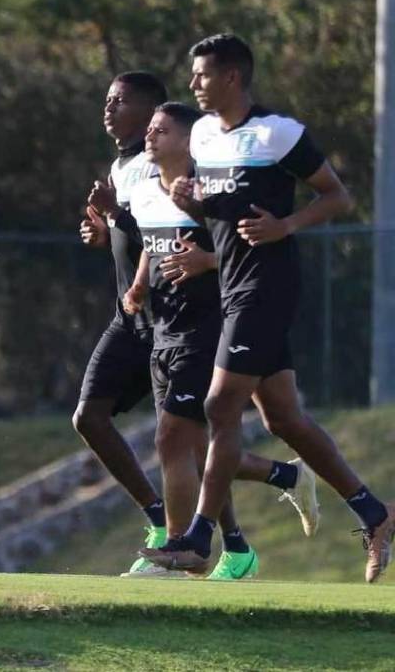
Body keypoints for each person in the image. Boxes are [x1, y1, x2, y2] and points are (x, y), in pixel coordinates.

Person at [140, 33, 394, 583]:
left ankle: (197, 540)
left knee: (219, 404)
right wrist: (196, 203)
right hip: (233, 283)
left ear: (233, 77)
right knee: (284, 419)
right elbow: (224, 209)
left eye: (203, 75)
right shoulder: (204, 135)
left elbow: (336, 196)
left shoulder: (279, 133)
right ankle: (375, 513)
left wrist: (286, 225)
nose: (193, 85)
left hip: (268, 287)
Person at [123, 102, 318, 580]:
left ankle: (176, 550)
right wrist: (140, 283)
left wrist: (205, 263)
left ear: (187, 140)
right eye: (148, 128)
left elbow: (241, 250)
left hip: (209, 325)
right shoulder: (147, 190)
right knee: (192, 448)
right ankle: (276, 488)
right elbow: (152, 243)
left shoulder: (209, 188)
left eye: (160, 130)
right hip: (165, 331)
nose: (148, 136)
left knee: (172, 438)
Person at [77, 72, 185, 575]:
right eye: (106, 101)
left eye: (119, 101)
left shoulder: (160, 162)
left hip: (168, 318)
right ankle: (161, 520)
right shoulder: (121, 165)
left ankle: (228, 545)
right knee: (88, 416)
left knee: (182, 439)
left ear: (150, 111)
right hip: (130, 316)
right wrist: (105, 231)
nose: (108, 109)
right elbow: (130, 236)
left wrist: (115, 215)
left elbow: (158, 229)